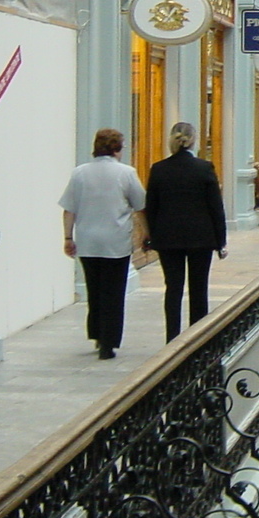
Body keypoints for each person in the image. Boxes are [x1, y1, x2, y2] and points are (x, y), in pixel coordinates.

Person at [59, 128, 147, 360]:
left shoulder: (80, 173)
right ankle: (109, 341)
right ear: (117, 148)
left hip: (88, 241)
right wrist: (147, 234)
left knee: (95, 290)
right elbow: (140, 205)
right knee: (114, 293)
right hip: (116, 241)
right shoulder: (126, 173)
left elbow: (69, 208)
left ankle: (97, 333)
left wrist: (68, 237)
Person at [145, 122, 227, 343]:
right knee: (199, 288)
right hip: (201, 238)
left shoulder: (159, 169)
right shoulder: (204, 168)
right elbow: (215, 207)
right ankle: (197, 337)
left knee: (173, 288)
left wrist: (153, 236)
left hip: (168, 238)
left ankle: (172, 338)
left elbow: (151, 207)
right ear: (193, 140)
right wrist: (221, 242)